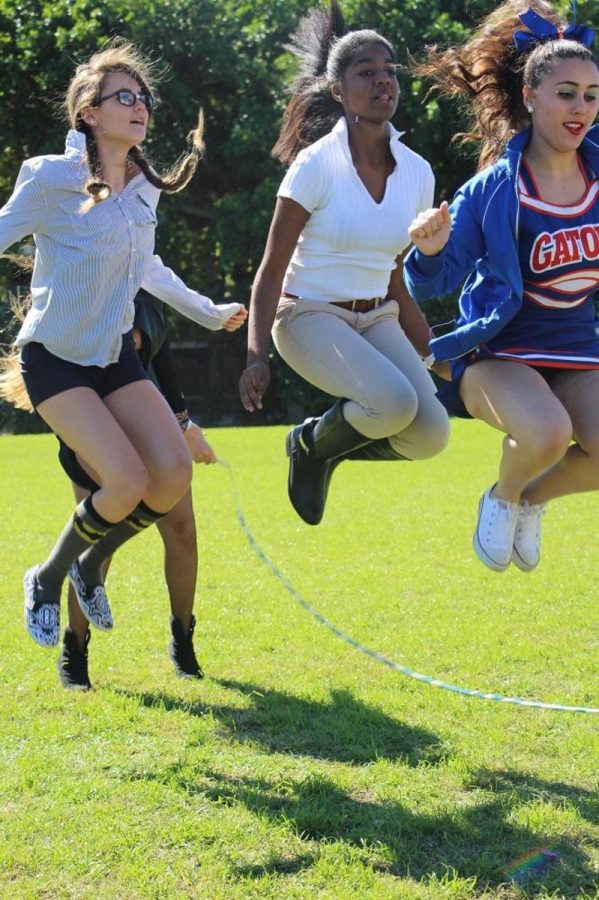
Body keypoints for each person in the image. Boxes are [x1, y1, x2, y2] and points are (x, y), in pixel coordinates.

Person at [0, 41, 246, 649]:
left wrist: (210, 313)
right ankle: (49, 576)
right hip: (54, 360)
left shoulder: (144, 185)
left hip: (114, 356)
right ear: (88, 112)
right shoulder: (49, 177)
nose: (140, 108)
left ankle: (90, 562)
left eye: (144, 99)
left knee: (172, 473)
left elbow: (148, 267)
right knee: (124, 480)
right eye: (125, 97)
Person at [404, 1, 599, 573]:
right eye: (566, 92)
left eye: (591, 94)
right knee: (546, 433)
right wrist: (431, 248)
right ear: (532, 96)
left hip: (578, 350)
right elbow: (432, 281)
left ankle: (530, 500)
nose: (580, 107)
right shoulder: (492, 189)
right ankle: (500, 496)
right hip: (499, 351)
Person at [238, 0, 450, 526]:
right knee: (394, 404)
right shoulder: (316, 166)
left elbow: (395, 278)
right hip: (307, 315)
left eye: (389, 71)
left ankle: (320, 448)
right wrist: (255, 354)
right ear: (339, 91)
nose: (383, 81)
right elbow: (271, 267)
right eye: (366, 72)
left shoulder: (417, 173)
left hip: (377, 316)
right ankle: (311, 445)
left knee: (431, 433)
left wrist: (438, 353)